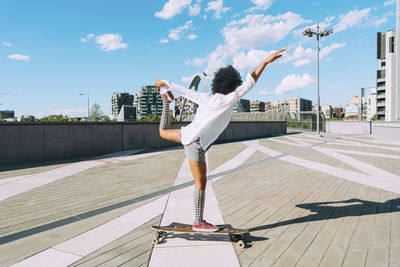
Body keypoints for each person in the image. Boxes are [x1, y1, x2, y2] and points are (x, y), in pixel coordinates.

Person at [155, 48, 285, 232]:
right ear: (231, 87)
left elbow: (184, 90)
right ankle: (198, 221)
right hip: (196, 144)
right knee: (201, 183)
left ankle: (165, 104)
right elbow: (250, 82)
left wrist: (164, 83)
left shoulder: (206, 97)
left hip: (186, 134)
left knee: (162, 133)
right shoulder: (228, 100)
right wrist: (264, 62)